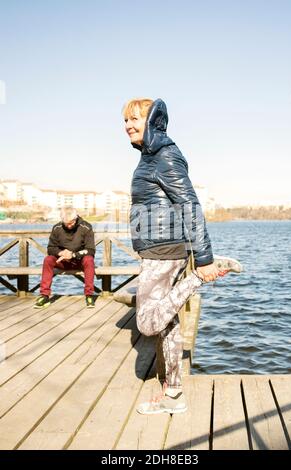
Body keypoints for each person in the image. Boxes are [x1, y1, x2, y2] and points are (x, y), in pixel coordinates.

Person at [123, 98, 242, 415]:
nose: (128, 125)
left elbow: (190, 206)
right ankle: (174, 394)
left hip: (163, 252)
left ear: (151, 120)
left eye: (135, 118)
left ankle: (199, 279)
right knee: (167, 325)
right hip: (157, 249)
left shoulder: (164, 156)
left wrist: (203, 261)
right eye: (125, 121)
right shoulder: (150, 157)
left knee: (148, 323)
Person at [34, 206, 96, 309]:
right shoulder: (57, 228)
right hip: (62, 261)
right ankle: (44, 295)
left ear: (76, 218)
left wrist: (73, 255)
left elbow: (91, 250)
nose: (69, 226)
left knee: (89, 259)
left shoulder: (87, 227)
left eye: (71, 223)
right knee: (48, 260)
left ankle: (89, 295)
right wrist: (61, 253)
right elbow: (50, 248)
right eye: (66, 223)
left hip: (79, 261)